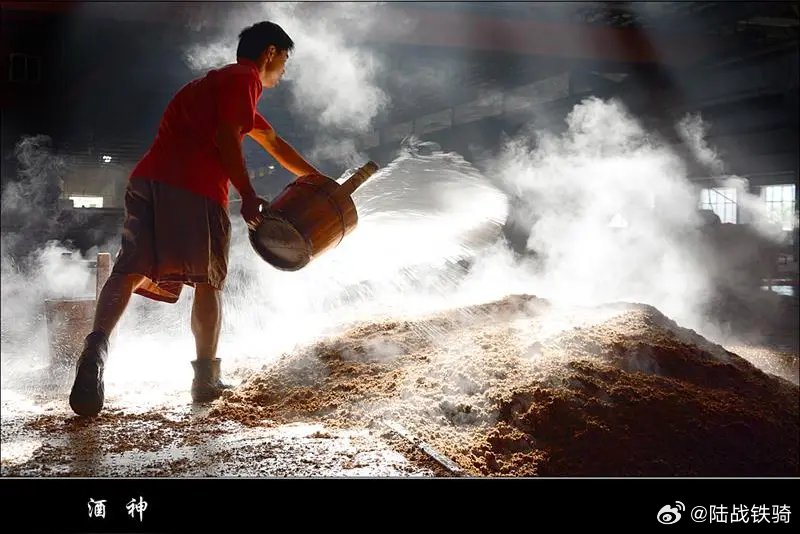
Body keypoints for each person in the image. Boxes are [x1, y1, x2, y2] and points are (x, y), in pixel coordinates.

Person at [69, 21, 323, 417]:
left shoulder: (214, 86)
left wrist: (317, 179)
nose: (284, 72)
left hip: (147, 181)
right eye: (285, 60)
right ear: (270, 53)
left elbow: (273, 143)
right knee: (208, 281)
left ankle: (96, 348)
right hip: (195, 188)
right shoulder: (244, 79)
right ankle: (205, 379)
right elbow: (226, 137)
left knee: (130, 269)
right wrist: (249, 193)